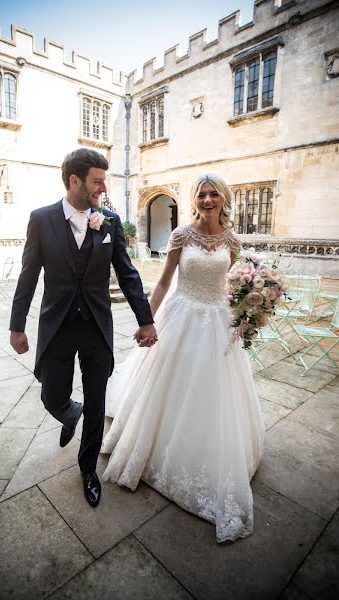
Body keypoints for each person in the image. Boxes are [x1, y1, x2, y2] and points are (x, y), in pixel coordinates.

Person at [101, 173, 265, 543]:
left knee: (215, 393)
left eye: (213, 194)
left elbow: (229, 285)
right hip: (182, 315)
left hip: (219, 323)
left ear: (223, 199)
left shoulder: (233, 242)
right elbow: (162, 283)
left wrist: (247, 313)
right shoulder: (181, 236)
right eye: (202, 195)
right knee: (167, 386)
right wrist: (147, 321)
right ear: (196, 199)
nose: (207, 200)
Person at [9, 148, 157, 508]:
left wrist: (146, 319)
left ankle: (87, 469)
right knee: (51, 395)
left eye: (104, 181)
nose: (103, 188)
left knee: (96, 404)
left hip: (95, 329)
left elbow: (127, 274)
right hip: (57, 327)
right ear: (75, 181)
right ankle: (67, 412)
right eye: (97, 181)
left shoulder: (109, 221)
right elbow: (28, 276)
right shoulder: (41, 220)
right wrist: (17, 326)